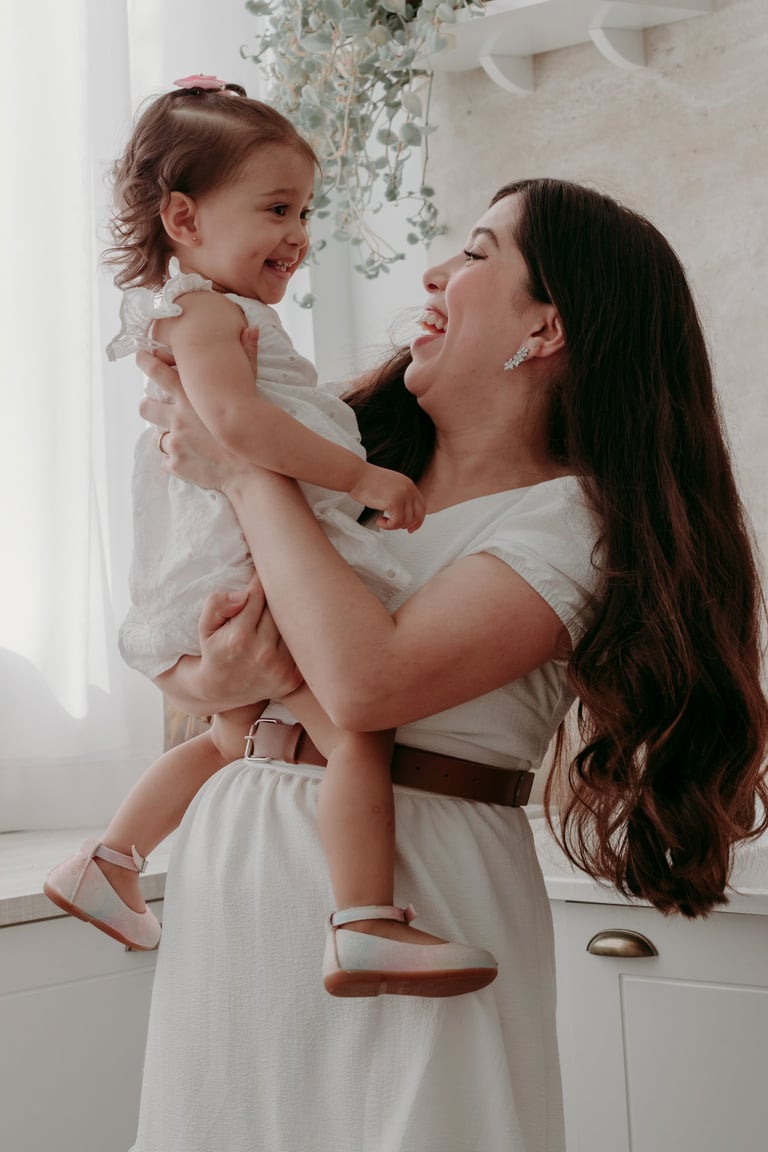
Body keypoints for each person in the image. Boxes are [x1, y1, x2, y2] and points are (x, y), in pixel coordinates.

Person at [127, 176, 768, 1152]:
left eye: (475, 252)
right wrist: (210, 680)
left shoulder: (573, 523)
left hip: (423, 880)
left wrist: (245, 468)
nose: (433, 272)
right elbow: (179, 631)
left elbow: (368, 684)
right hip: (240, 865)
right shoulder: (342, 462)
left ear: (545, 327)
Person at [44, 76, 499, 996]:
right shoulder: (204, 312)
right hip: (243, 552)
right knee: (360, 735)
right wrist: (361, 477)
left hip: (243, 547)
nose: (299, 234)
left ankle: (110, 859)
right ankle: (364, 920)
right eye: (277, 208)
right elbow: (237, 428)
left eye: (306, 211)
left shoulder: (219, 313)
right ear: (184, 217)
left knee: (229, 735)